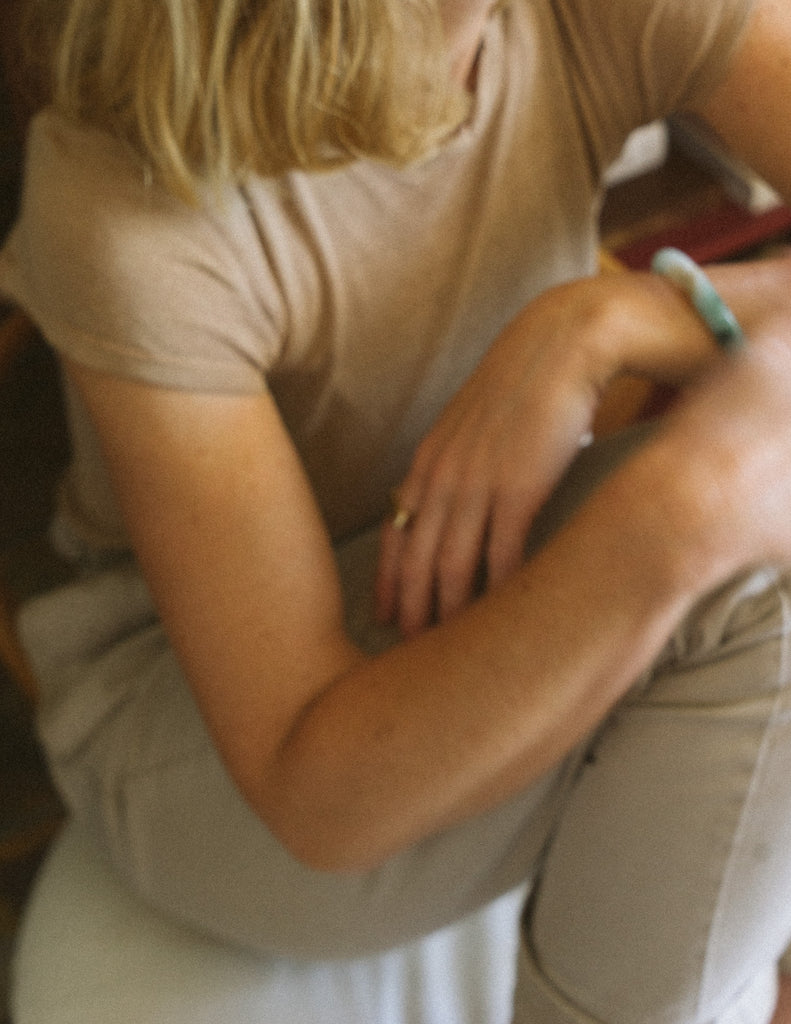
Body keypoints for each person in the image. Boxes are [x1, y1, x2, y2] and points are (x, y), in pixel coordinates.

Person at [4, 0, 791, 1020]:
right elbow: (316, 800)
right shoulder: (124, 201)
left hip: (468, 578)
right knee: (752, 558)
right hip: (223, 735)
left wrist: (608, 319)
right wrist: (675, 520)